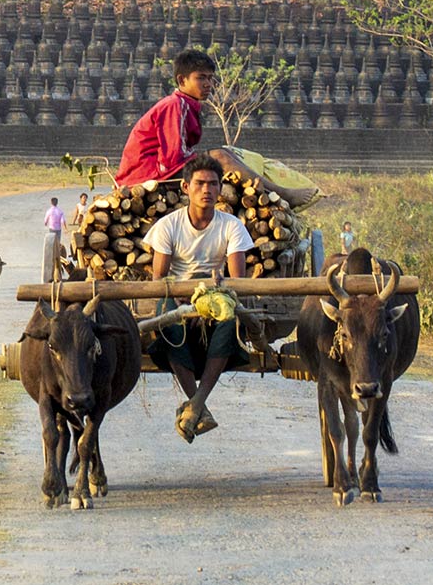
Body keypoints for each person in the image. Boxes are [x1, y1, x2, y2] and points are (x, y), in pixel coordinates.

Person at [147, 152, 254, 444]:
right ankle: (199, 406)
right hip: (178, 297)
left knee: (230, 317)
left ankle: (195, 405)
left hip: (215, 296)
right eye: (200, 184)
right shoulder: (168, 225)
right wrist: (179, 297)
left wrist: (221, 285)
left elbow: (237, 282)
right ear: (186, 188)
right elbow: (159, 280)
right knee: (166, 317)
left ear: (221, 189)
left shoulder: (231, 225)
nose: (206, 190)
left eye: (213, 184)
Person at [115, 49, 307, 205]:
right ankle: (283, 194)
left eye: (209, 79)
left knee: (225, 153)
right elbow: (172, 158)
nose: (208, 84)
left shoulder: (187, 105)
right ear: (182, 80)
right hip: (145, 176)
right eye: (201, 78)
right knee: (220, 156)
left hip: (160, 170)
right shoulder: (175, 105)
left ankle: (268, 192)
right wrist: (213, 159)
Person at [41, 196, 66, 283]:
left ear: (51, 202)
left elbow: (46, 219)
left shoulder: (49, 211)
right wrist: (65, 227)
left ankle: (54, 254)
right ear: (57, 203)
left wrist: (45, 223)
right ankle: (58, 254)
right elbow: (62, 221)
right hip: (58, 229)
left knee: (52, 242)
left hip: (51, 228)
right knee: (58, 242)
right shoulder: (60, 211)